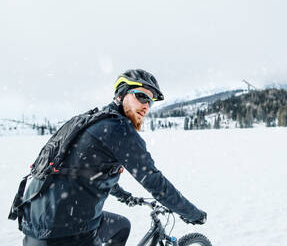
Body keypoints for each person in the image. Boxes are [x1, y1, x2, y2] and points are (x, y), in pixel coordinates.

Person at [21, 69, 207, 246]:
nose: (145, 105)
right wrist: (192, 213)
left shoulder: (97, 121)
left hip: (38, 220)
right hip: (64, 233)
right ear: (121, 95)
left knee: (120, 226)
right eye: (141, 96)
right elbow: (154, 181)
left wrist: (125, 196)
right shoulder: (118, 129)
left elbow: (90, 172)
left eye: (150, 102)